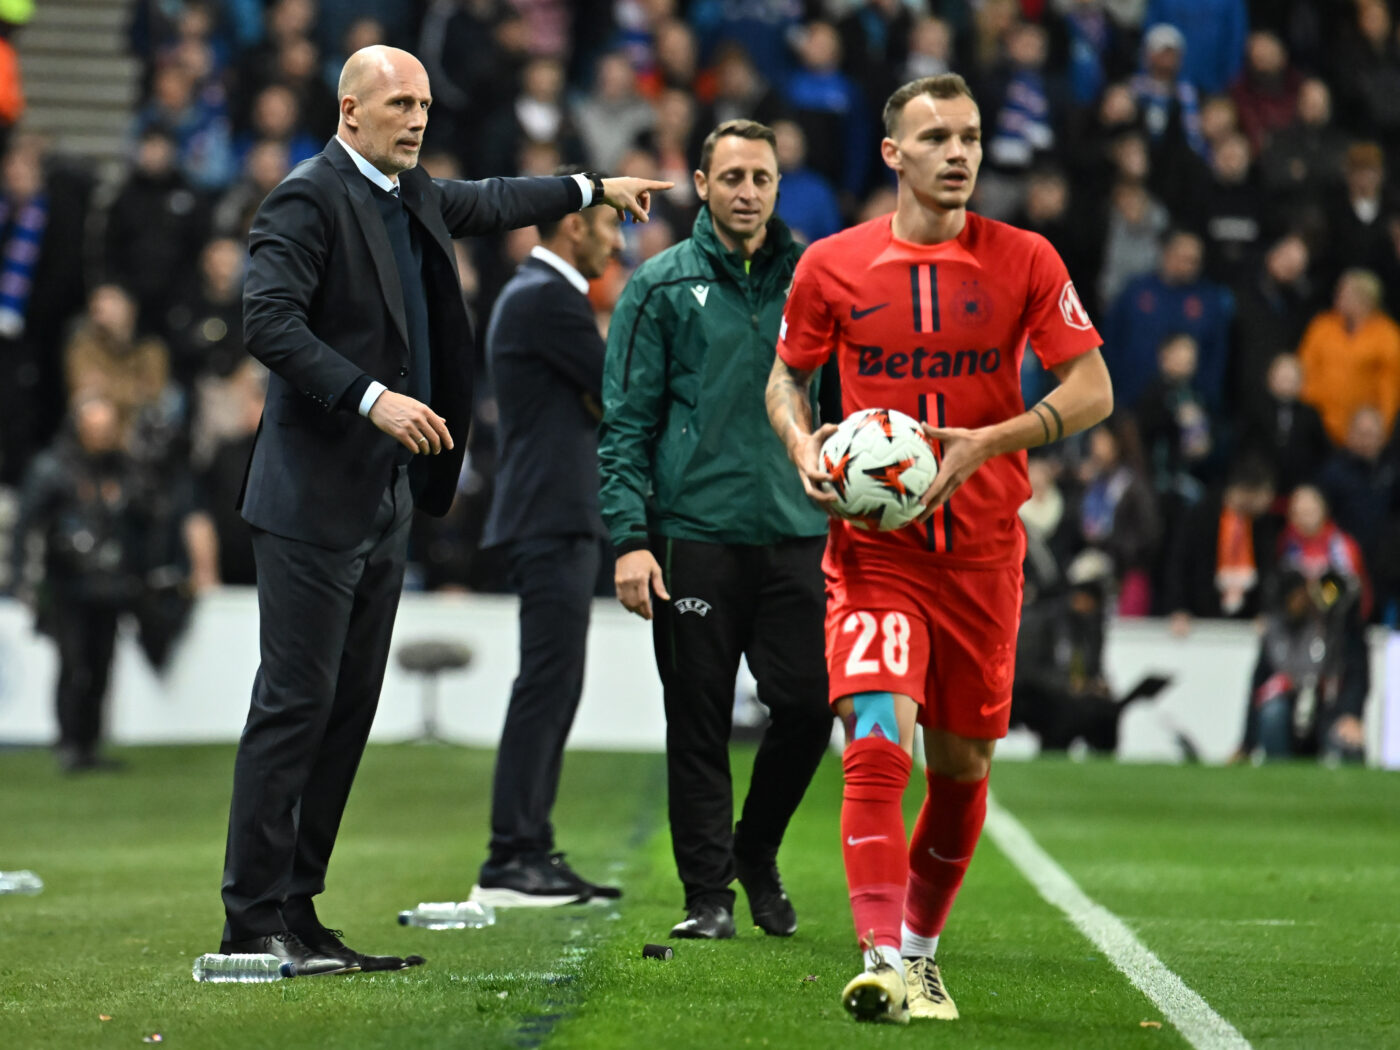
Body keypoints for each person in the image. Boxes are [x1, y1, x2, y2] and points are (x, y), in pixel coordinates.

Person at [219, 44, 667, 978]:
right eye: (399, 105)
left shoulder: (410, 192)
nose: (418, 120)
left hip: (384, 496)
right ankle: (251, 916)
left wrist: (591, 185)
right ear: (350, 112)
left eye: (424, 103)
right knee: (295, 705)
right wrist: (371, 397)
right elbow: (267, 320)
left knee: (345, 712)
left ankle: (298, 913)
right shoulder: (306, 197)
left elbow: (496, 198)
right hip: (310, 495)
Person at [766, 74, 1113, 1023]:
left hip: (984, 556)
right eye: (936, 138)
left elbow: (1092, 388)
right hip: (875, 553)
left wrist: (990, 442)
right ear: (894, 155)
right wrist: (804, 447)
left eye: (970, 135)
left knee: (960, 775)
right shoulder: (832, 266)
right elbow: (785, 384)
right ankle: (879, 955)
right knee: (876, 744)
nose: (958, 153)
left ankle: (920, 956)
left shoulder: (1026, 258)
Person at [599, 119, 834, 942]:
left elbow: (841, 408)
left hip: (798, 531)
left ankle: (754, 849)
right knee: (696, 720)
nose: (746, 191)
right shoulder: (658, 287)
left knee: (810, 706)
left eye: (760, 178)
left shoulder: (817, 280)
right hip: (691, 536)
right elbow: (625, 424)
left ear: (777, 186)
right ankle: (709, 896)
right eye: (730, 176)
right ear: (700, 184)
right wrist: (629, 538)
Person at [472, 168, 625, 908]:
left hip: (552, 513)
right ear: (574, 226)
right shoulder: (548, 300)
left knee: (553, 683)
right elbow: (618, 389)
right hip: (551, 515)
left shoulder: (537, 297)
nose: (616, 243)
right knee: (546, 685)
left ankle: (528, 846)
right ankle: (513, 854)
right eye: (609, 227)